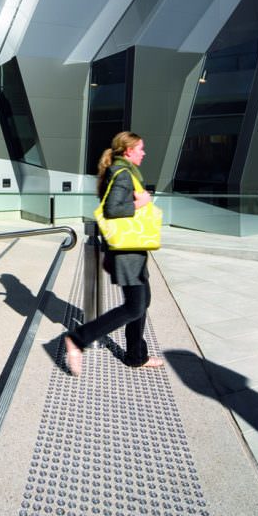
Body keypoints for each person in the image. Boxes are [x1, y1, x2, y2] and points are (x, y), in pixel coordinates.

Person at [64, 131, 164, 376]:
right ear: (128, 150)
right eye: (140, 148)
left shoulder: (123, 172)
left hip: (133, 250)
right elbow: (112, 209)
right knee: (134, 307)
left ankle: (135, 356)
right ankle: (78, 339)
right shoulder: (122, 174)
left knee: (142, 302)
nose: (144, 152)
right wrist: (141, 202)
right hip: (127, 254)